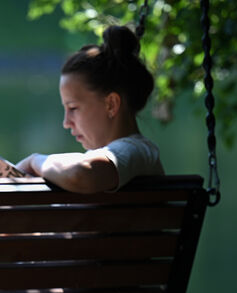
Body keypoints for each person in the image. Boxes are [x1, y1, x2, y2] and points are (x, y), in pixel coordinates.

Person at [16, 25, 163, 193]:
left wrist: (35, 161)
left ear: (111, 104)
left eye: (73, 108)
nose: (66, 123)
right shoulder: (122, 158)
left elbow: (79, 174)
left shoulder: (134, 151)